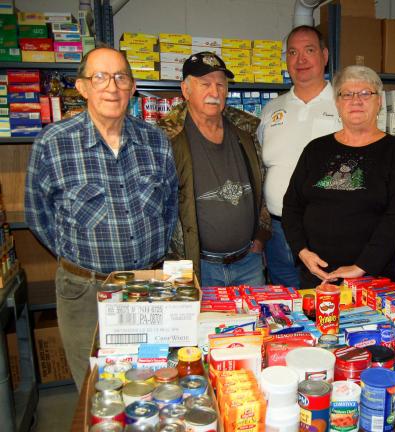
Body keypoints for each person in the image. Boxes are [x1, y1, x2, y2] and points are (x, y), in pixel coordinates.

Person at [24, 46, 178, 390]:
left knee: (150, 383)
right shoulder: (53, 142)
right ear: (82, 87)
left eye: (121, 77)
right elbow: (38, 216)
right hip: (85, 292)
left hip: (148, 288)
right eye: (100, 77)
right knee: (97, 389)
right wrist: (80, 260)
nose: (112, 86)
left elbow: (170, 209)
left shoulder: (156, 141)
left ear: (133, 87)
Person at [282, 65, 395, 288]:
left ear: (379, 102)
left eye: (365, 93)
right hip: (318, 276)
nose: (356, 100)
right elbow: (292, 206)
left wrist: (362, 266)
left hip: (372, 278)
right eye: (347, 94)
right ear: (337, 102)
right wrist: (302, 252)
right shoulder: (315, 149)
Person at [159, 52, 270, 287]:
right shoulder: (167, 138)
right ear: (186, 90)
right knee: (198, 324)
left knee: (257, 324)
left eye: (220, 84)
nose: (214, 92)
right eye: (205, 84)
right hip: (197, 268)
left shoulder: (246, 131)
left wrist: (261, 237)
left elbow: (263, 183)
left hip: (248, 263)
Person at [257, 25, 340, 288]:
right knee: (285, 301)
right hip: (279, 230)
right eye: (292, 52)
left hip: (328, 228)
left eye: (309, 50)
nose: (300, 59)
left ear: (325, 56)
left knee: (327, 300)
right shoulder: (271, 109)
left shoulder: (344, 103)